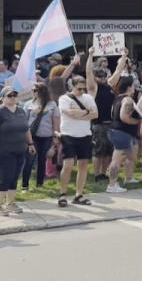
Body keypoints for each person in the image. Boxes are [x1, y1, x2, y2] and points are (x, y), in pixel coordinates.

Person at [0, 87, 36, 215]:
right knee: (5, 177)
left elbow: (26, 128)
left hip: (20, 150)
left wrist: (30, 143)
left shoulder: (20, 111)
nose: (13, 97)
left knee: (14, 177)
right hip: (4, 151)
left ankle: (10, 204)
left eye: (15, 95)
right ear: (2, 97)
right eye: (9, 95)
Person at [58, 73, 99, 207]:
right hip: (68, 134)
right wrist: (87, 112)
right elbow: (70, 113)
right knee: (68, 165)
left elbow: (95, 114)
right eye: (79, 89)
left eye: (83, 89)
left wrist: (81, 113)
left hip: (84, 135)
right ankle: (63, 194)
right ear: (72, 87)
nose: (81, 92)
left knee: (83, 165)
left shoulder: (87, 97)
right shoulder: (64, 98)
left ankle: (79, 194)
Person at [105, 77, 142, 193]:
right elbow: (124, 117)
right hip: (122, 133)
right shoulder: (128, 100)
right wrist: (137, 121)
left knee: (130, 157)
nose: (134, 88)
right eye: (133, 86)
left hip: (121, 132)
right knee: (116, 160)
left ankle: (129, 178)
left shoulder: (118, 98)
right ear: (129, 87)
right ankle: (111, 185)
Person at [22, 83, 60, 190]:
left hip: (46, 137)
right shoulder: (28, 104)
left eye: (35, 90)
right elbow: (24, 121)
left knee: (42, 161)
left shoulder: (52, 104)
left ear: (42, 91)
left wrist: (56, 137)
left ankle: (39, 184)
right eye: (32, 90)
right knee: (29, 160)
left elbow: (55, 121)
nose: (33, 92)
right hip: (32, 137)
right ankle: (25, 185)